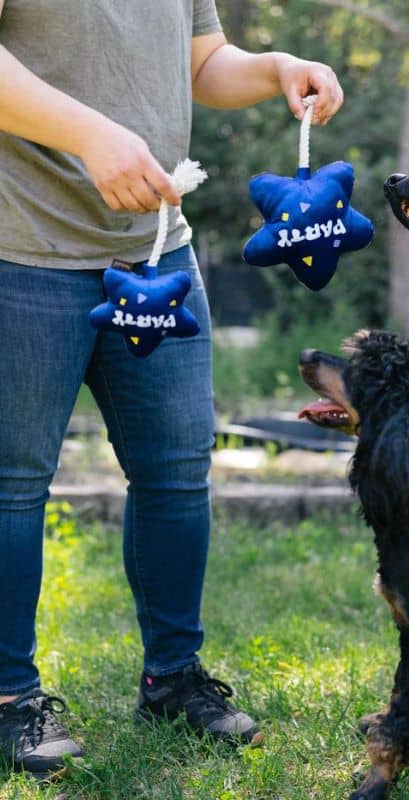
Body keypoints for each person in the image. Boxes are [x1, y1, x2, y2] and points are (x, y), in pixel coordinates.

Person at [0, 0, 343, 779]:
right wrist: (90, 133)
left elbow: (200, 62)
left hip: (157, 252)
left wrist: (275, 69)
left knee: (178, 472)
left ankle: (172, 680)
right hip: (19, 249)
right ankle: (8, 699)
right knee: (12, 485)